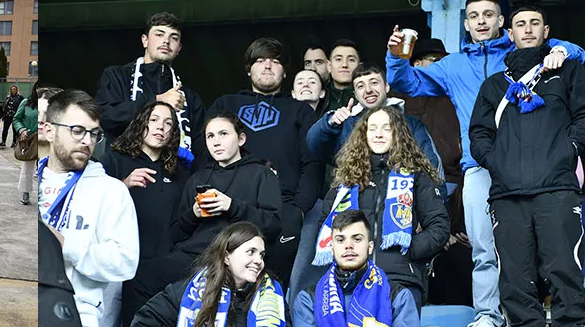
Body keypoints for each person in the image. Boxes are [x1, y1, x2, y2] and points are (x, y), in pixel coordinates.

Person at [383, 0, 585, 327]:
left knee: (546, 242)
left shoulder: (523, 55)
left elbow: (576, 54)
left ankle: (544, 315)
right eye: (474, 15)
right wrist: (396, 57)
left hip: (533, 166)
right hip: (479, 166)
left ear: (502, 23)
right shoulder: (453, 65)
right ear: (465, 23)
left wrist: (560, 48)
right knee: (483, 248)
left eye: (488, 15)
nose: (480, 21)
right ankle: (490, 319)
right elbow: (408, 83)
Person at [469, 2, 585, 327]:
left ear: (546, 31)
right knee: (514, 271)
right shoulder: (495, 85)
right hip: (507, 192)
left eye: (535, 23)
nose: (527, 29)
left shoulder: (568, 72)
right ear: (508, 33)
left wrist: (569, 148)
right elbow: (479, 134)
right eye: (520, 24)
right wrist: (495, 160)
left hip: (557, 187)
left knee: (564, 264)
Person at [206, 38, 324, 286]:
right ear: (249, 69)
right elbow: (206, 156)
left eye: (275, 61)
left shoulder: (300, 111)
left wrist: (299, 210)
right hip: (231, 206)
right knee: (225, 286)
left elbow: (313, 163)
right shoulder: (226, 104)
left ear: (284, 72)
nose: (268, 66)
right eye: (260, 61)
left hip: (284, 209)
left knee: (276, 287)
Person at [305, 106, 448, 309]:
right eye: (372, 128)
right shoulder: (346, 180)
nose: (378, 134)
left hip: (400, 281)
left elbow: (439, 227)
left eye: (386, 128)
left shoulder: (416, 175)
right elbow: (327, 229)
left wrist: (408, 251)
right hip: (349, 281)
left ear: (397, 134)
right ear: (363, 135)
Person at [39, 89, 138, 327]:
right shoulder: (31, 181)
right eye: (78, 130)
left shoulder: (111, 190)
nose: (87, 141)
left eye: (94, 134)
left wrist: (65, 245)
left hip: (75, 317)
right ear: (49, 129)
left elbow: (125, 262)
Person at [128, 221, 294, 327]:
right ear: (226, 257)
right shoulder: (192, 291)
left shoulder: (272, 299)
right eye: (251, 252)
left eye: (262, 255)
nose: (258, 261)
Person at [291, 209, 427, 327]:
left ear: (370, 247)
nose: (348, 245)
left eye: (357, 239)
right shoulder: (309, 297)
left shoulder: (397, 295)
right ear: (331, 248)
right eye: (340, 240)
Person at [102, 100, 193, 327]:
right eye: (153, 120)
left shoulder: (181, 173)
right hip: (117, 266)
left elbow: (184, 224)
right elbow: (91, 206)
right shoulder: (114, 160)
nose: (160, 127)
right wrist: (123, 185)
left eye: (168, 123)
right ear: (141, 123)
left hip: (159, 271)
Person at [168, 112, 282, 284]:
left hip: (231, 260)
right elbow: (176, 234)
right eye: (210, 136)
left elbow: (273, 226)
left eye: (223, 134)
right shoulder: (198, 178)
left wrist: (231, 206)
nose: (216, 142)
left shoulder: (262, 174)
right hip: (189, 256)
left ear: (241, 139)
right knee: (142, 276)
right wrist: (194, 214)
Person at [94, 12, 205, 161]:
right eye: (159, 34)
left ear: (179, 48)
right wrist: (157, 100)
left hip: (175, 176)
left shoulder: (188, 97)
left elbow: (201, 147)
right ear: (145, 40)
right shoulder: (117, 76)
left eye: (174, 38)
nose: (166, 41)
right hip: (123, 170)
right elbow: (105, 117)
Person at [305, 64, 443, 179]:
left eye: (374, 83)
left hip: (402, 205)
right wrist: (330, 122)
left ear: (387, 87)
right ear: (355, 94)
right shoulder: (347, 125)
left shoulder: (411, 124)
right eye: (360, 86)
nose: (368, 90)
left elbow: (432, 169)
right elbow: (314, 144)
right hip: (357, 205)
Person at [14, 84, 42, 204]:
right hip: (30, 138)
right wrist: (22, 129)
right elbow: (16, 118)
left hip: (47, 139)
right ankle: (25, 192)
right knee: (27, 167)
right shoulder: (26, 102)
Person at [1, 84, 24, 148]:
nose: (13, 90)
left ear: (16, 90)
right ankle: (3, 141)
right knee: (5, 129)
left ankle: (14, 142)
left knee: (15, 130)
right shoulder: (8, 97)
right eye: (12, 89)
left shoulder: (20, 97)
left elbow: (23, 106)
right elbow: (5, 106)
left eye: (14, 89)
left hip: (15, 116)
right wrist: (4, 115)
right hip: (8, 115)